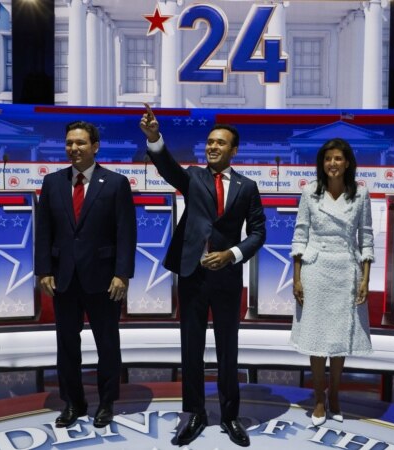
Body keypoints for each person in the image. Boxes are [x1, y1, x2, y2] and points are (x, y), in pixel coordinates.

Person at [139, 104, 266, 447]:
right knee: (191, 348)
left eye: (220, 142)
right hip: (192, 275)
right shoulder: (193, 177)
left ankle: (230, 416)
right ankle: (195, 413)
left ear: (234, 150)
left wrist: (231, 254)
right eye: (209, 142)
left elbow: (258, 232)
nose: (212, 146)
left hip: (227, 278)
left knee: (227, 350)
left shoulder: (247, 186)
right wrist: (155, 138)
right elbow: (167, 168)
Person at [35, 120, 136, 430]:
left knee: (107, 344)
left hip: (104, 280)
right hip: (63, 279)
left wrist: (122, 274)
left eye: (80, 143)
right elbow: (43, 231)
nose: (74, 148)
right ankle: (73, 403)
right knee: (66, 345)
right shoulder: (52, 183)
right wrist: (43, 270)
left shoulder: (116, 183)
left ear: (95, 147)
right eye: (69, 143)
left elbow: (126, 232)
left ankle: (106, 402)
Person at [290, 138, 374, 426]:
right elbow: (300, 235)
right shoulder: (309, 192)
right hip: (315, 270)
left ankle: (335, 395)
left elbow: (366, 238)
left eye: (338, 158)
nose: (333, 164)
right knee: (317, 339)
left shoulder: (360, 194)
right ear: (321, 163)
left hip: (346, 270)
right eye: (328, 159)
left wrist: (365, 279)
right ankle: (318, 398)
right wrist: (296, 277)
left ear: (347, 162)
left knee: (340, 338)